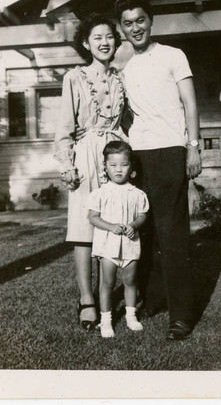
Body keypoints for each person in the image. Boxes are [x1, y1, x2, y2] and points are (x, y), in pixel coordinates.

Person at [114, 0, 202, 340]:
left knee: (173, 234)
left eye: (140, 20)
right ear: (121, 28)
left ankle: (181, 316)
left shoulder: (173, 56)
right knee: (144, 231)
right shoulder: (123, 63)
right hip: (138, 155)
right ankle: (150, 300)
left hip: (170, 151)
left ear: (151, 21)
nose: (135, 28)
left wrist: (193, 147)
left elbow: (191, 104)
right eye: (128, 23)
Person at [54, 13, 127, 331]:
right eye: (97, 37)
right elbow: (64, 128)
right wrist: (67, 163)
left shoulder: (121, 77)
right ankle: (87, 300)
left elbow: (126, 123)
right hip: (84, 156)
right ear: (86, 43)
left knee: (110, 226)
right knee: (84, 230)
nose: (104, 42)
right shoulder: (74, 77)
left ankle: (105, 295)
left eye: (109, 36)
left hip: (114, 155)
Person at [88, 141, 149, 338]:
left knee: (130, 280)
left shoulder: (137, 193)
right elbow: (93, 217)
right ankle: (106, 320)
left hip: (130, 244)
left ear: (131, 167)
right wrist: (111, 227)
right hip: (108, 245)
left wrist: (134, 225)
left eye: (123, 164)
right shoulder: (100, 193)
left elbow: (142, 215)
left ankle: (131, 315)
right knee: (107, 282)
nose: (118, 170)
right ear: (105, 166)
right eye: (113, 165)